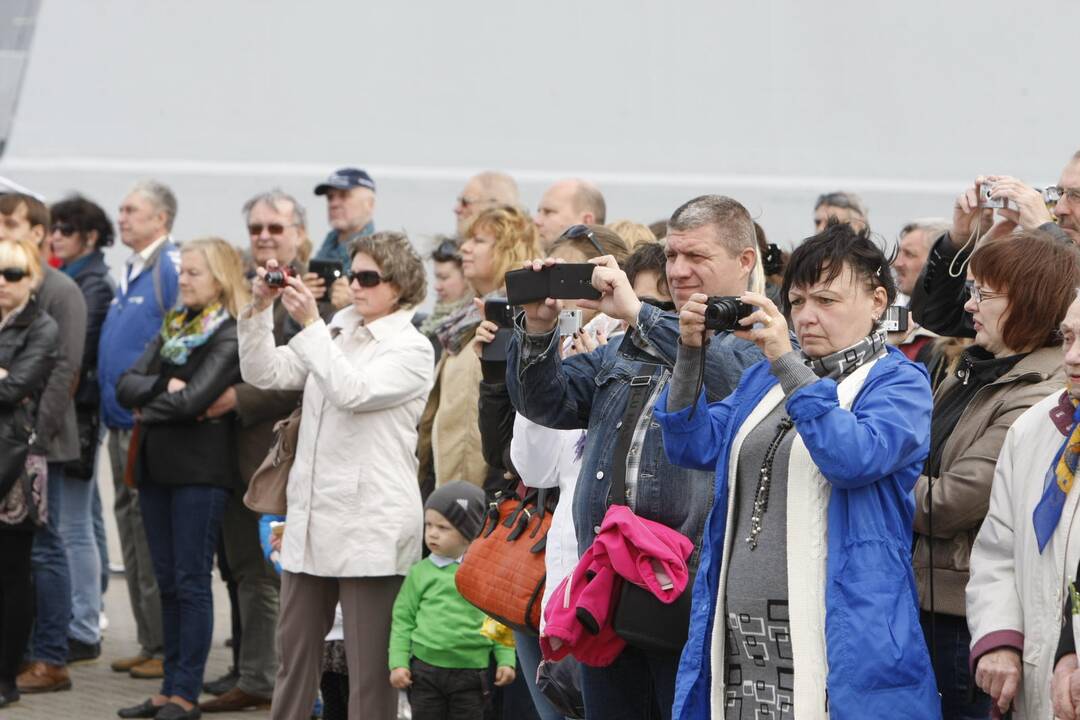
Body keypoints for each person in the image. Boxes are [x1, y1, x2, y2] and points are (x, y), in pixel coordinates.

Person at [653, 222, 938, 720]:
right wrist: (690, 352)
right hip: (740, 629)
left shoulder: (899, 382)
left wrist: (787, 361)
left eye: (826, 301)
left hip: (841, 631)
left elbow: (852, 458)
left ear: (877, 301)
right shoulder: (764, 376)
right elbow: (693, 444)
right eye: (798, 301)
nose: (806, 316)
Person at [506, 195, 766, 720]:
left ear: (745, 261)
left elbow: (729, 378)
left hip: (687, 589)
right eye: (672, 256)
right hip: (607, 579)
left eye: (696, 256)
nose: (679, 270)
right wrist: (537, 329)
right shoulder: (638, 339)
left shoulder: (762, 334)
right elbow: (547, 402)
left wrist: (639, 315)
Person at [238, 230, 434, 720]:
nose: (356, 284)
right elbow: (265, 373)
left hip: (372, 527)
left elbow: (353, 390)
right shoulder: (335, 330)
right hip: (311, 523)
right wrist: (262, 310)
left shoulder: (412, 348)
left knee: (370, 676)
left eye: (369, 277)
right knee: (294, 664)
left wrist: (309, 324)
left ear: (401, 285)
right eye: (353, 274)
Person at [908, 231, 1078, 718]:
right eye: (971, 291)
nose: (969, 305)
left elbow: (951, 502)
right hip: (932, 597)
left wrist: (866, 478)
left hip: (968, 615)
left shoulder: (1037, 399)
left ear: (1030, 302)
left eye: (984, 293)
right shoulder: (976, 371)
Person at [475, 225, 630, 720]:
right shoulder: (556, 342)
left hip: (608, 583)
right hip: (555, 576)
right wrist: (540, 353)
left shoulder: (633, 348)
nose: (558, 292)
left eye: (568, 277)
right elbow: (533, 466)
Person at [114, 237, 248, 720]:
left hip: (199, 473)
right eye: (182, 272)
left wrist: (152, 402)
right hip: (156, 468)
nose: (183, 281)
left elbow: (195, 399)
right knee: (166, 580)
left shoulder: (228, 332)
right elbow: (124, 382)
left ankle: (185, 693)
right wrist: (160, 390)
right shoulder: (173, 326)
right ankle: (165, 687)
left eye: (193, 273)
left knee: (192, 583)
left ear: (218, 279)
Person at [198, 190, 315, 712]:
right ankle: (248, 665)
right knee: (240, 568)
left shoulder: (322, 290)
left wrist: (237, 397)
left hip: (279, 455)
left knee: (267, 575)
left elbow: (309, 368)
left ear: (298, 235)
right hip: (231, 455)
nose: (265, 237)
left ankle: (263, 675)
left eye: (275, 228)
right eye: (257, 229)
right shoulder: (244, 284)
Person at [966, 294, 1080, 720]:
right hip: (1038, 687)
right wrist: (999, 640)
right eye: (1067, 338)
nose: (1072, 357)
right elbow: (999, 548)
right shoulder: (1035, 427)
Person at [0, 193, 87, 695]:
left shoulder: (60, 290)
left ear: (37, 231)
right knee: (21, 556)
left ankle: (51, 656)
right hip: (11, 438)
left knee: (48, 549)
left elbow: (63, 373)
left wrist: (36, 436)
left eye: (11, 223)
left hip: (39, 443)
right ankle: (25, 649)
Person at [98, 179, 180, 680]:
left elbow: (178, 336)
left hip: (142, 421)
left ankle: (162, 645)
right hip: (117, 420)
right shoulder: (133, 269)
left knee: (148, 535)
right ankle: (149, 639)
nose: (121, 217)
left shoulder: (165, 269)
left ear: (160, 219)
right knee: (128, 531)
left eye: (131, 210)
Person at [419, 205, 540, 497]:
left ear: (509, 249)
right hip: (450, 486)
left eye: (479, 241)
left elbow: (470, 430)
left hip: (473, 493)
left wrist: (461, 502)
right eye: (467, 240)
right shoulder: (468, 317)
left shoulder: (511, 320)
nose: (465, 249)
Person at [49, 195, 117, 664]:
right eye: (53, 228)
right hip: (82, 410)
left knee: (73, 523)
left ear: (89, 237)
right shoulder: (83, 277)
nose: (55, 237)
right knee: (87, 517)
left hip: (79, 413)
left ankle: (82, 623)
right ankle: (89, 611)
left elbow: (76, 349)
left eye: (65, 230)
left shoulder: (91, 283)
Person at [911, 156, 1079, 338]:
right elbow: (938, 318)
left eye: (1076, 196)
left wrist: (1046, 230)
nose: (1059, 209)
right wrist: (958, 244)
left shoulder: (1054, 253)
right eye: (1060, 193)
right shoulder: (1039, 268)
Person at [388, 481, 517, 719]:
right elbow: (402, 620)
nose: (432, 533)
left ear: (469, 532)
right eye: (428, 525)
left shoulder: (482, 573)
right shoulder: (420, 573)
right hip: (424, 672)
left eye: (443, 527)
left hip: (471, 674)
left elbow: (497, 620)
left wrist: (506, 659)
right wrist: (398, 662)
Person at [0, 238, 58, 709]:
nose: (2, 282)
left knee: (13, 573)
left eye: (13, 274)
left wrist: (8, 380)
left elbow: (17, 386)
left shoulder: (42, 326)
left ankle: (6, 677)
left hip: (15, 462)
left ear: (32, 278)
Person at [418, 237, 472, 356]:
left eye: (444, 278)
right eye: (437, 278)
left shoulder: (471, 329)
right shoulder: (426, 325)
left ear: (467, 277)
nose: (437, 286)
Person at [533, 179, 606, 251]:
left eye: (548, 212)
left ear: (586, 221)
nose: (536, 221)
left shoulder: (613, 262)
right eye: (539, 212)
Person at [453, 171, 519, 236]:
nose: (456, 209)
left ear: (495, 207)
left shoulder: (525, 245)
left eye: (466, 202)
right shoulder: (448, 245)